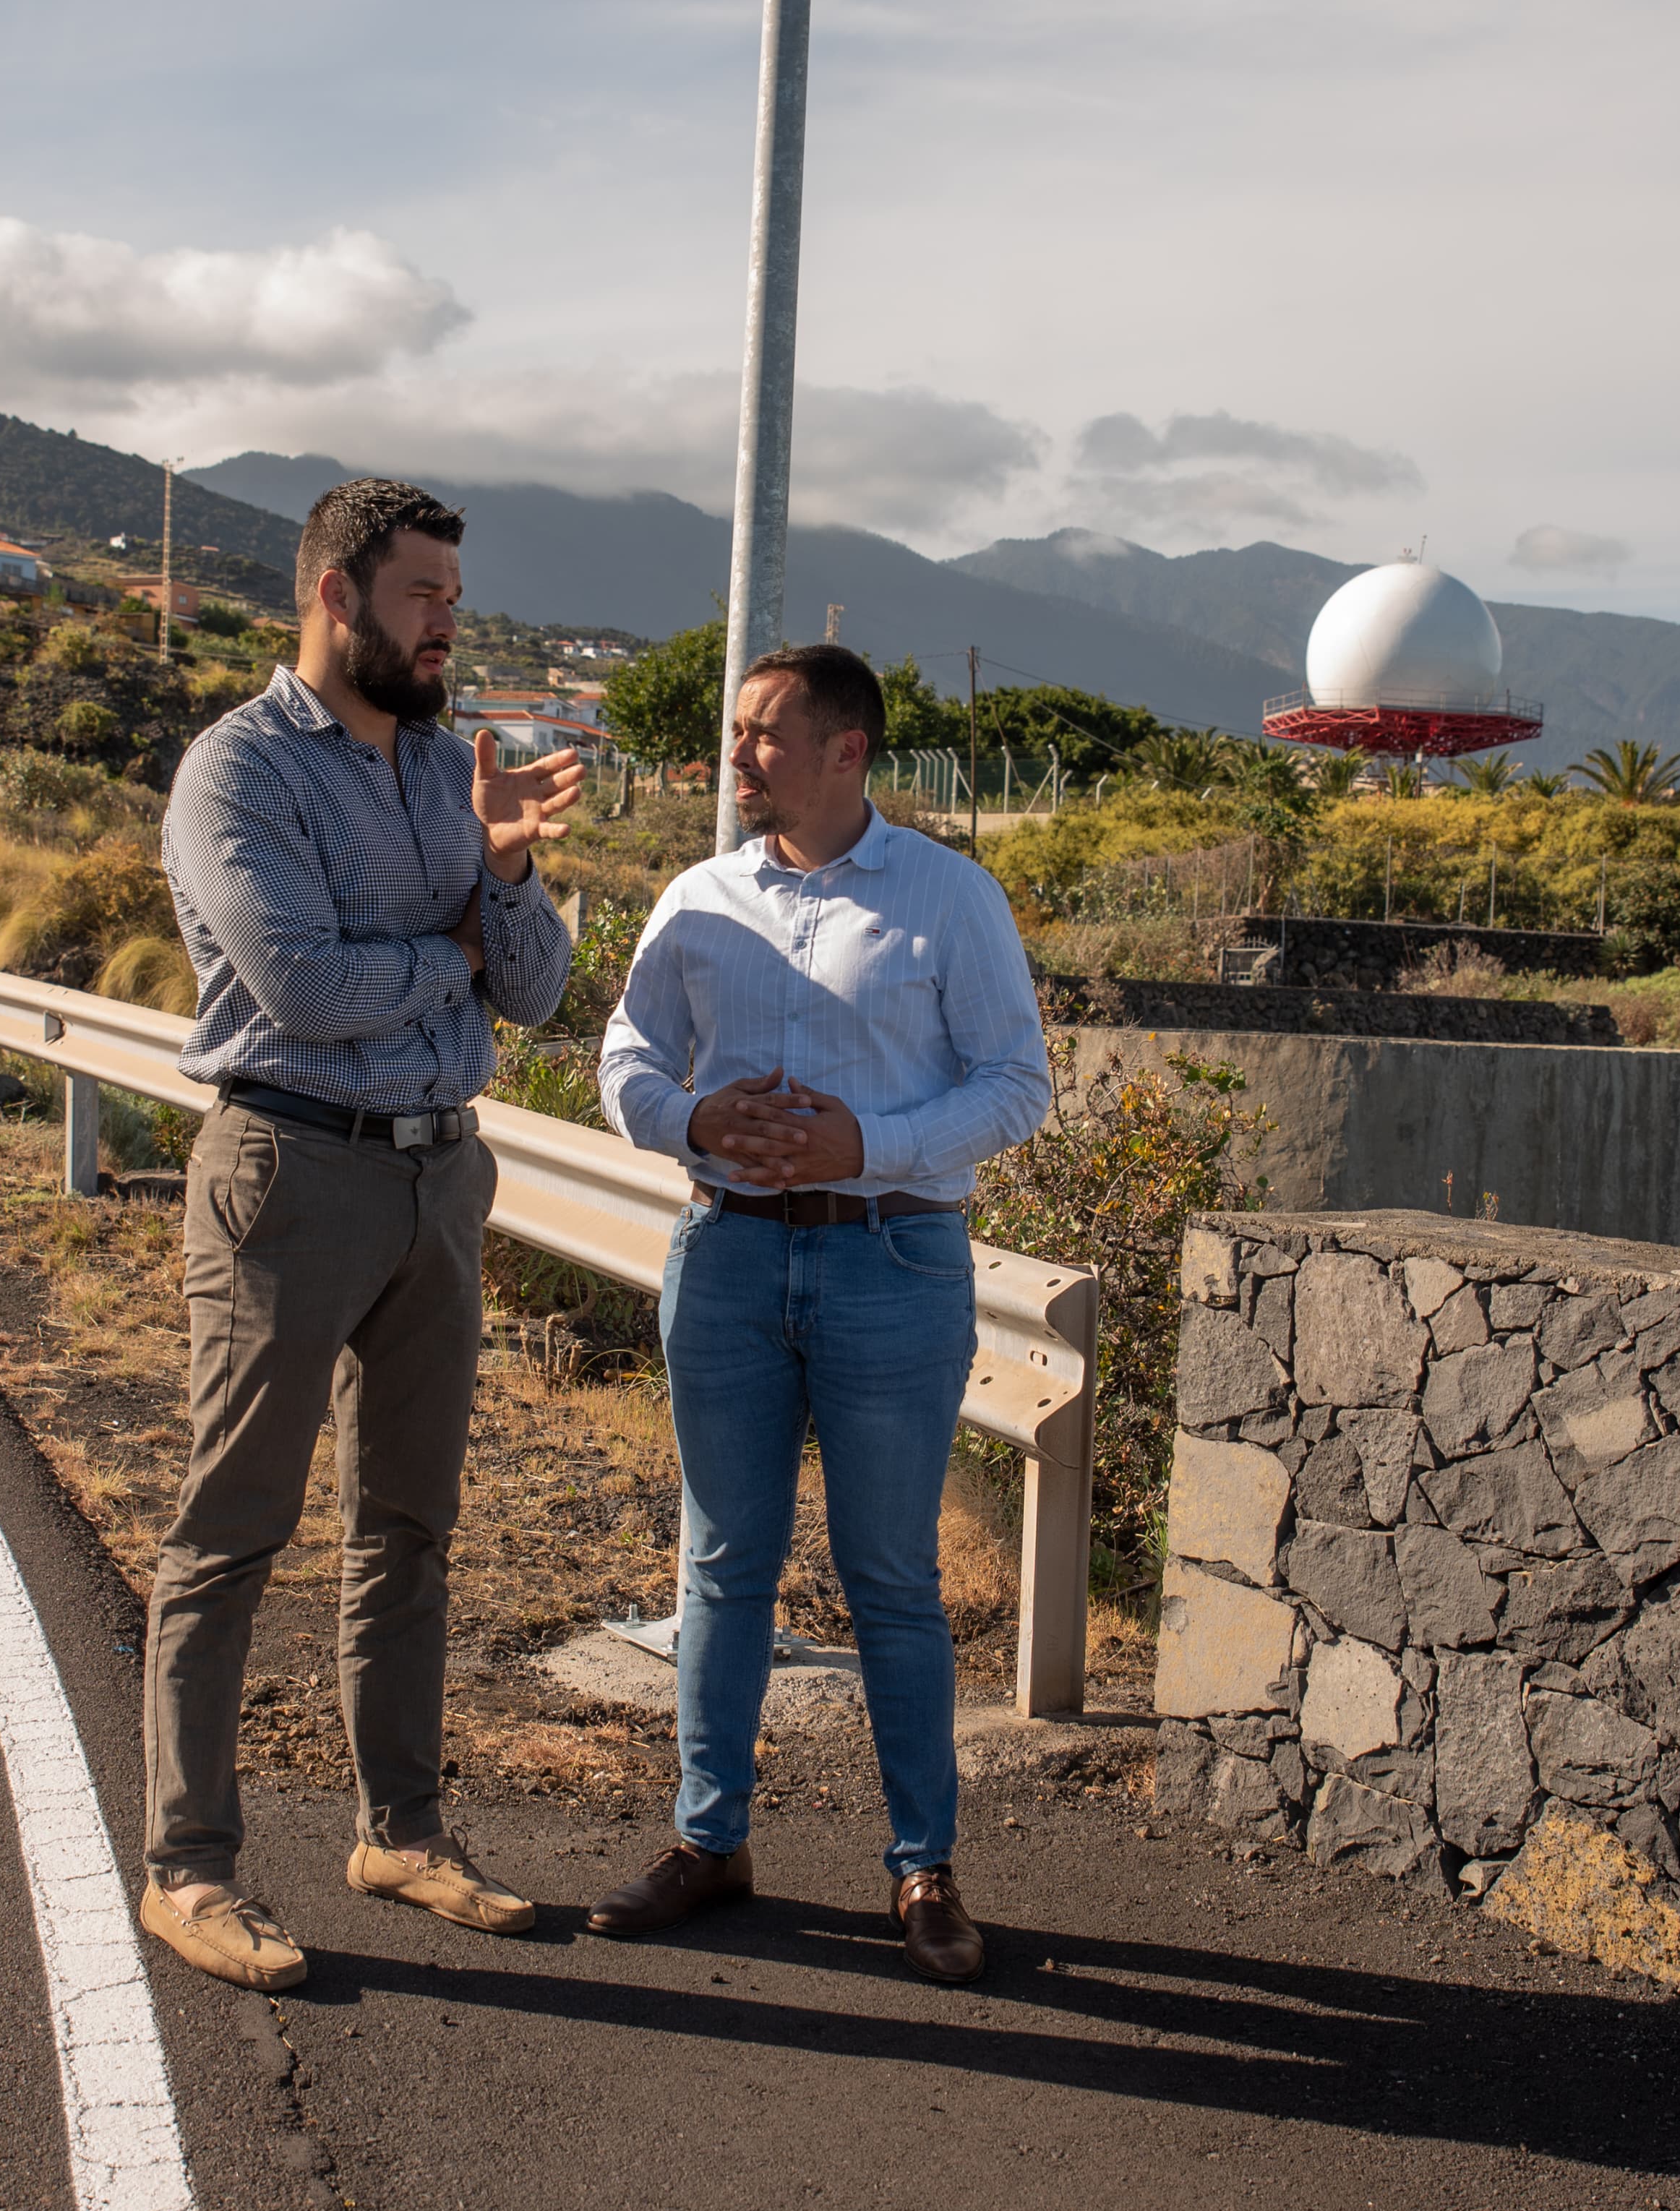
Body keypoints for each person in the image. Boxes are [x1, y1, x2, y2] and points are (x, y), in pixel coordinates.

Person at [141, 476, 582, 1993]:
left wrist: (507, 874)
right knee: (233, 1525)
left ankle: (402, 1828)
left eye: (455, 596)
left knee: (408, 1524)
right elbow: (305, 991)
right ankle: (189, 1867)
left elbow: (530, 994)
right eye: (424, 596)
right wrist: (446, 945)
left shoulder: (456, 770)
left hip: (439, 1176)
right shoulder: (238, 772)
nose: (450, 622)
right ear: (338, 594)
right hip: (291, 1168)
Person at [587, 643, 1052, 1983]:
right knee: (723, 1564)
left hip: (893, 1263)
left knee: (892, 1577)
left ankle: (923, 1869)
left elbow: (1016, 1085)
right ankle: (707, 1842)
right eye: (736, 735)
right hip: (726, 1256)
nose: (735, 756)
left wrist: (867, 1141)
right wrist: (688, 1114)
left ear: (848, 748)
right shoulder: (699, 893)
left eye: (763, 734)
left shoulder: (950, 899)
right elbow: (626, 1052)